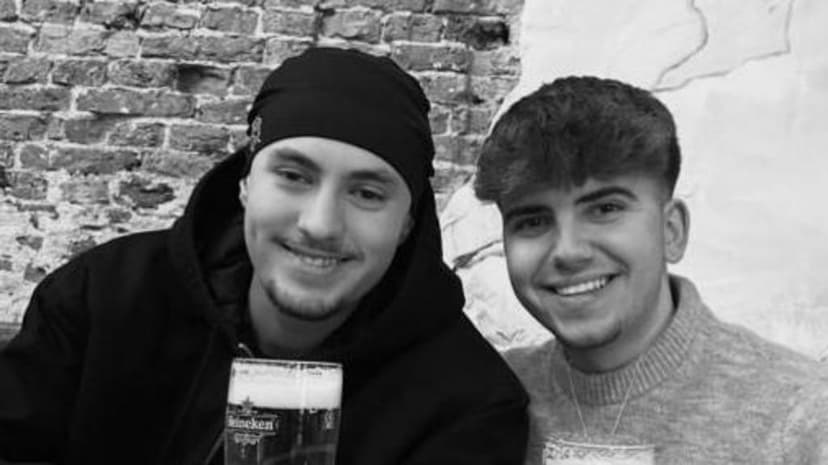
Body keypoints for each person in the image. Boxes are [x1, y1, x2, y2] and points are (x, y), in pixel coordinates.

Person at [0, 47, 528, 465]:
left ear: (407, 222)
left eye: (367, 193)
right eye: (294, 176)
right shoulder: (104, 298)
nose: (320, 224)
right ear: (246, 184)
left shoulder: (466, 403)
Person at [473, 76, 828, 464]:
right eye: (532, 221)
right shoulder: (486, 400)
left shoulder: (799, 419)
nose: (568, 251)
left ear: (672, 231)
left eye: (605, 209)